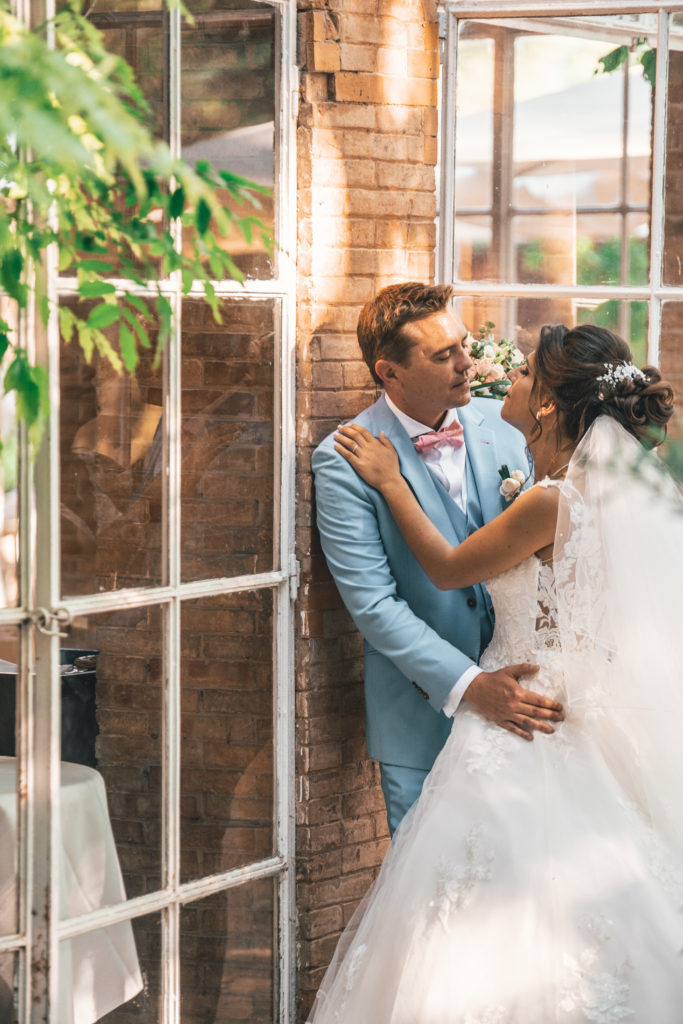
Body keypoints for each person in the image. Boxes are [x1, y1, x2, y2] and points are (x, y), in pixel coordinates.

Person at [307, 323, 683, 1023]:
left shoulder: (550, 499)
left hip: (519, 712)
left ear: (547, 403)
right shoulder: (614, 488)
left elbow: (449, 569)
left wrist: (391, 483)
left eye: (522, 374)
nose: (499, 376)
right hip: (572, 699)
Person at [312, 283, 563, 836]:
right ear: (390, 373)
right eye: (443, 355)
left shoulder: (509, 425)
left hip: (527, 705)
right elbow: (374, 606)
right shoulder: (342, 461)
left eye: (465, 345)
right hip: (421, 720)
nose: (467, 363)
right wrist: (471, 684)